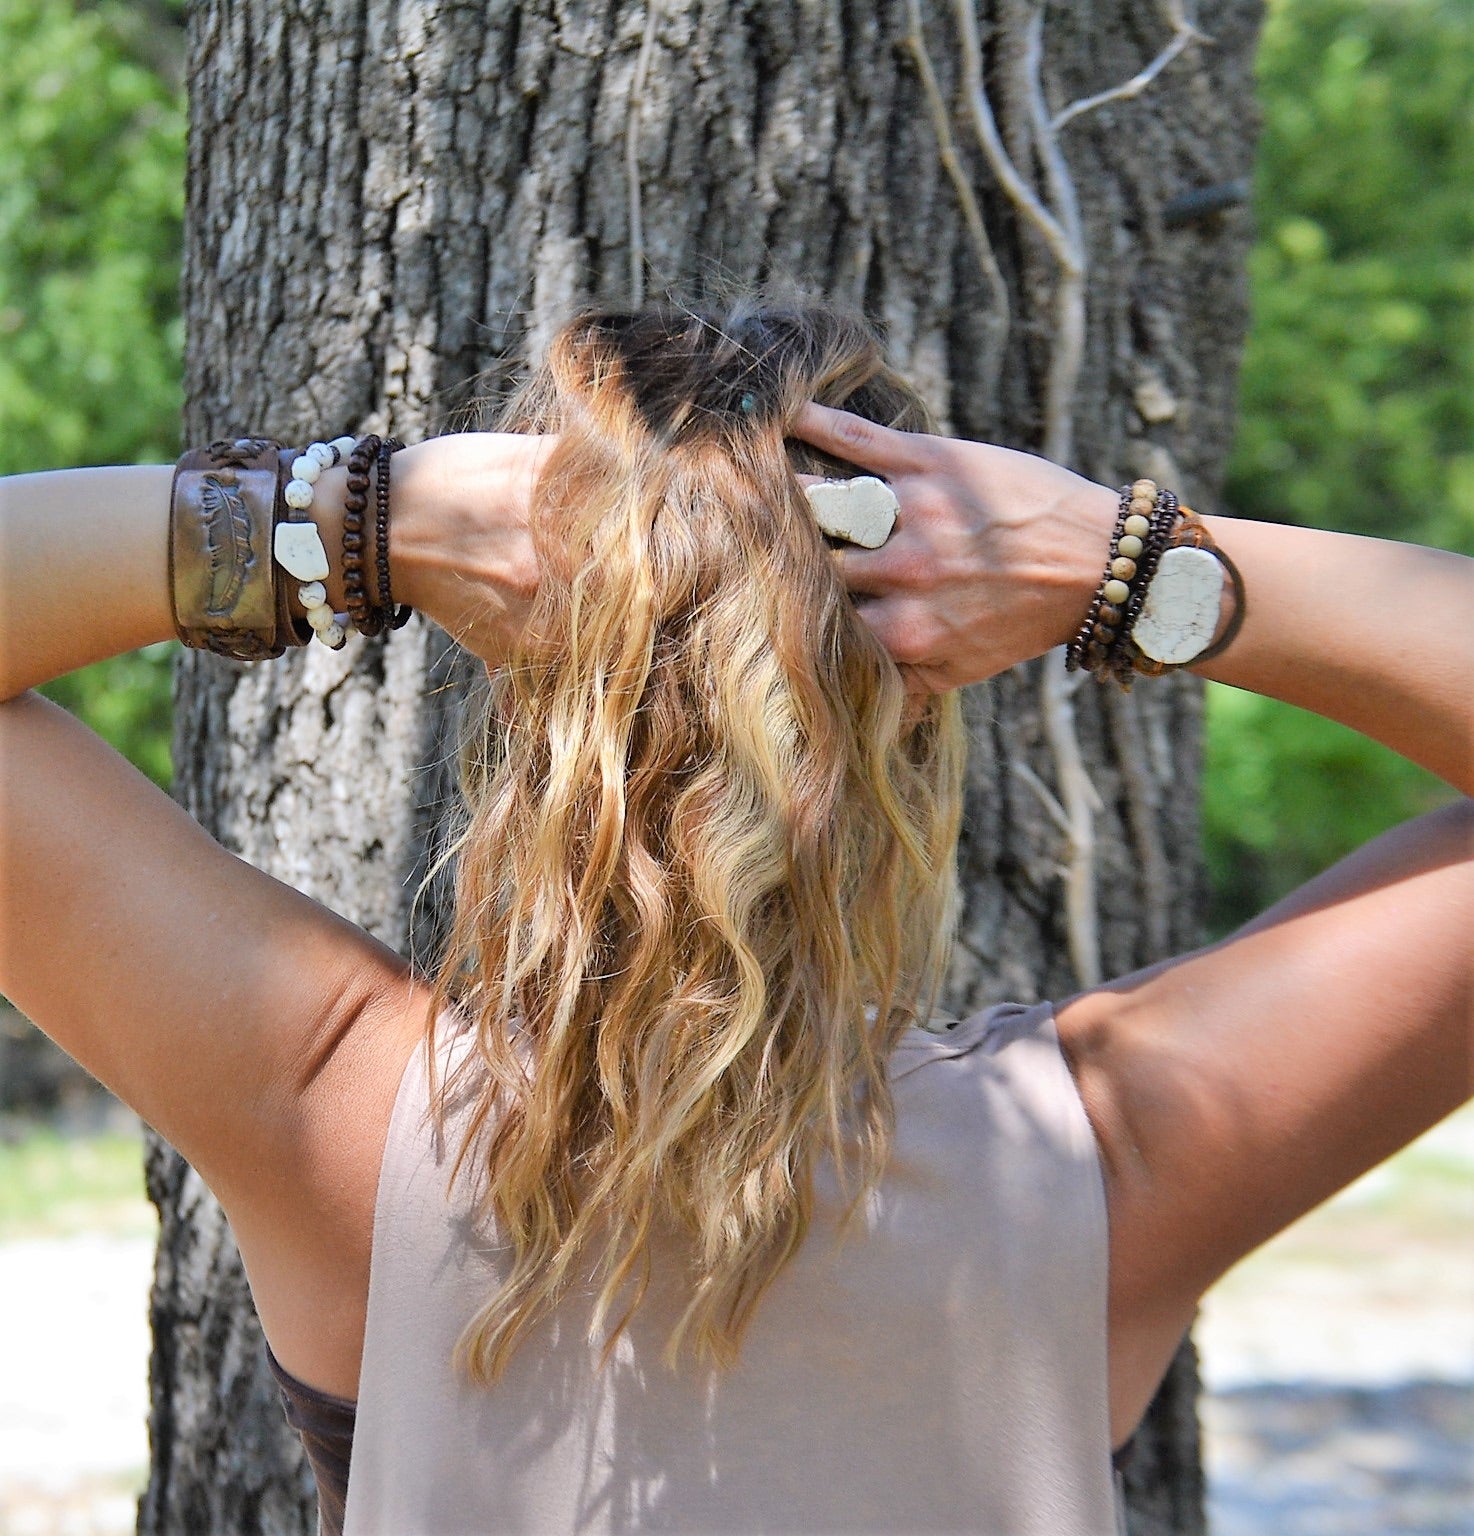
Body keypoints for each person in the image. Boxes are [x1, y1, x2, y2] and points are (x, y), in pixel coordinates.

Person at [0, 301, 1469, 1536]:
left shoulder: (346, 1125)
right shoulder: (1109, 1164)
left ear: (528, 687)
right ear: (920, 692)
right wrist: (1122, 565)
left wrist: (351, 522)